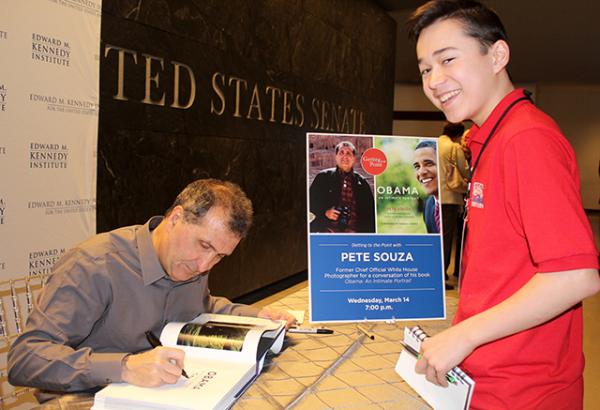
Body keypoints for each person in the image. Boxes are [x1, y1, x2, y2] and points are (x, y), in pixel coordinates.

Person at [407, 1, 600, 409]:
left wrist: (465, 335)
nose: (434, 80)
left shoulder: (525, 139)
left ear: (497, 55)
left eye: (448, 60)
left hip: (523, 390)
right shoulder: (491, 138)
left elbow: (576, 276)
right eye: (425, 69)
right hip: (489, 375)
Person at [8, 179, 296, 398]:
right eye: (204, 245)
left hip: (160, 394)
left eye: (219, 256)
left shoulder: (189, 263)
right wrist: (124, 368)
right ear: (175, 218)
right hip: (87, 397)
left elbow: (203, 307)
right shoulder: (95, 264)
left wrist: (258, 315)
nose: (204, 265)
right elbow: (25, 358)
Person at [309, 141, 375, 233]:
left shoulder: (362, 183)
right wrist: (325, 213)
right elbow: (310, 203)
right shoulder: (323, 177)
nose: (345, 156)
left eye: (348, 153)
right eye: (341, 153)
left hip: (355, 235)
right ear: (336, 157)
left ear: (354, 158)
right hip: (327, 232)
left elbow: (371, 214)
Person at [437, 122, 469, 279]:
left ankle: (436, 272)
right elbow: (465, 170)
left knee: (436, 236)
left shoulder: (434, 144)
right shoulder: (454, 147)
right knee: (446, 238)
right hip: (449, 197)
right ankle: (442, 274)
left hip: (434, 197)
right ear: (457, 135)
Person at [412, 140, 440, 234]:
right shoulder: (428, 206)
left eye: (429, 164)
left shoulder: (463, 203)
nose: (421, 172)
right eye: (417, 167)